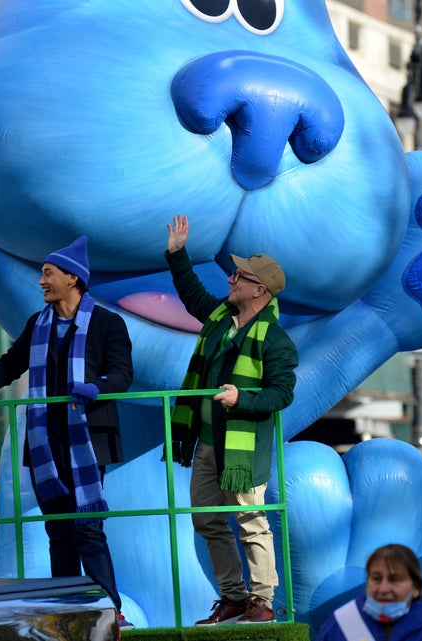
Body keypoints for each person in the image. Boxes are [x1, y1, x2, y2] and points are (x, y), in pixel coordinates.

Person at [0, 236, 134, 628]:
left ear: (73, 278)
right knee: (58, 531)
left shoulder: (108, 323)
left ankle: (110, 609)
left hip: (87, 442)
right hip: (44, 445)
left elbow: (122, 375)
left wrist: (96, 388)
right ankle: (69, 611)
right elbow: (11, 363)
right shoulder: (38, 324)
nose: (41, 281)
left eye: (48, 273)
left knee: (87, 527)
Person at [164, 214, 298, 625]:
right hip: (207, 441)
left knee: (250, 521)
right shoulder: (220, 319)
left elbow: (282, 393)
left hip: (242, 449)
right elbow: (193, 297)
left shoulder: (275, 341)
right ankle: (234, 597)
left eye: (238, 277)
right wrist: (176, 255)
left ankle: (263, 601)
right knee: (205, 519)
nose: (230, 281)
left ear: (259, 290)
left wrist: (243, 399)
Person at [317, 543, 422, 641]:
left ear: (416, 588)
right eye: (376, 578)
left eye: (394, 579)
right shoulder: (341, 623)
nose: (383, 589)